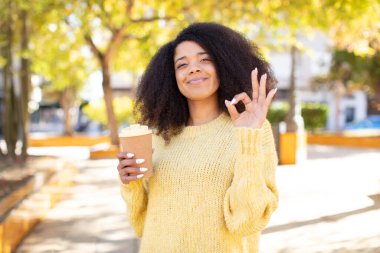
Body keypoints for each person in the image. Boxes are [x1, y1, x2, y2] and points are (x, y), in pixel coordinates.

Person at [116, 22, 279, 253]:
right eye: (182, 64)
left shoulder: (254, 131)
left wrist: (248, 139)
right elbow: (141, 225)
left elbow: (247, 221)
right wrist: (130, 184)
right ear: (171, 77)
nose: (193, 69)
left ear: (223, 64)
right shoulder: (158, 135)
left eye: (205, 60)